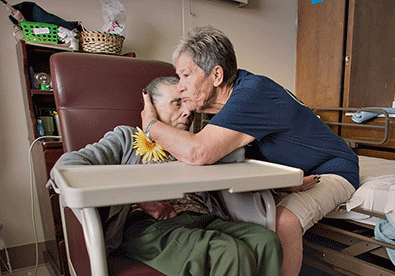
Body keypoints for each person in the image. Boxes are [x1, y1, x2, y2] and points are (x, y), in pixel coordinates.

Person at [141, 26, 359, 276]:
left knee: (283, 221)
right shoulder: (217, 111)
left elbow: (197, 153)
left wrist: (150, 125)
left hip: (332, 169)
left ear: (217, 75)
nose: (180, 87)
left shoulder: (252, 95)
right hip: (294, 176)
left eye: (186, 76)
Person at [51, 77, 283, 276]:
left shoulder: (194, 145)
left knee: (267, 242)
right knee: (229, 252)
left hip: (201, 217)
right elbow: (66, 167)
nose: (187, 112)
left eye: (189, 105)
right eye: (177, 103)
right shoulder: (126, 138)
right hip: (148, 226)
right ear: (150, 106)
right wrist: (140, 193)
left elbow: (237, 156)